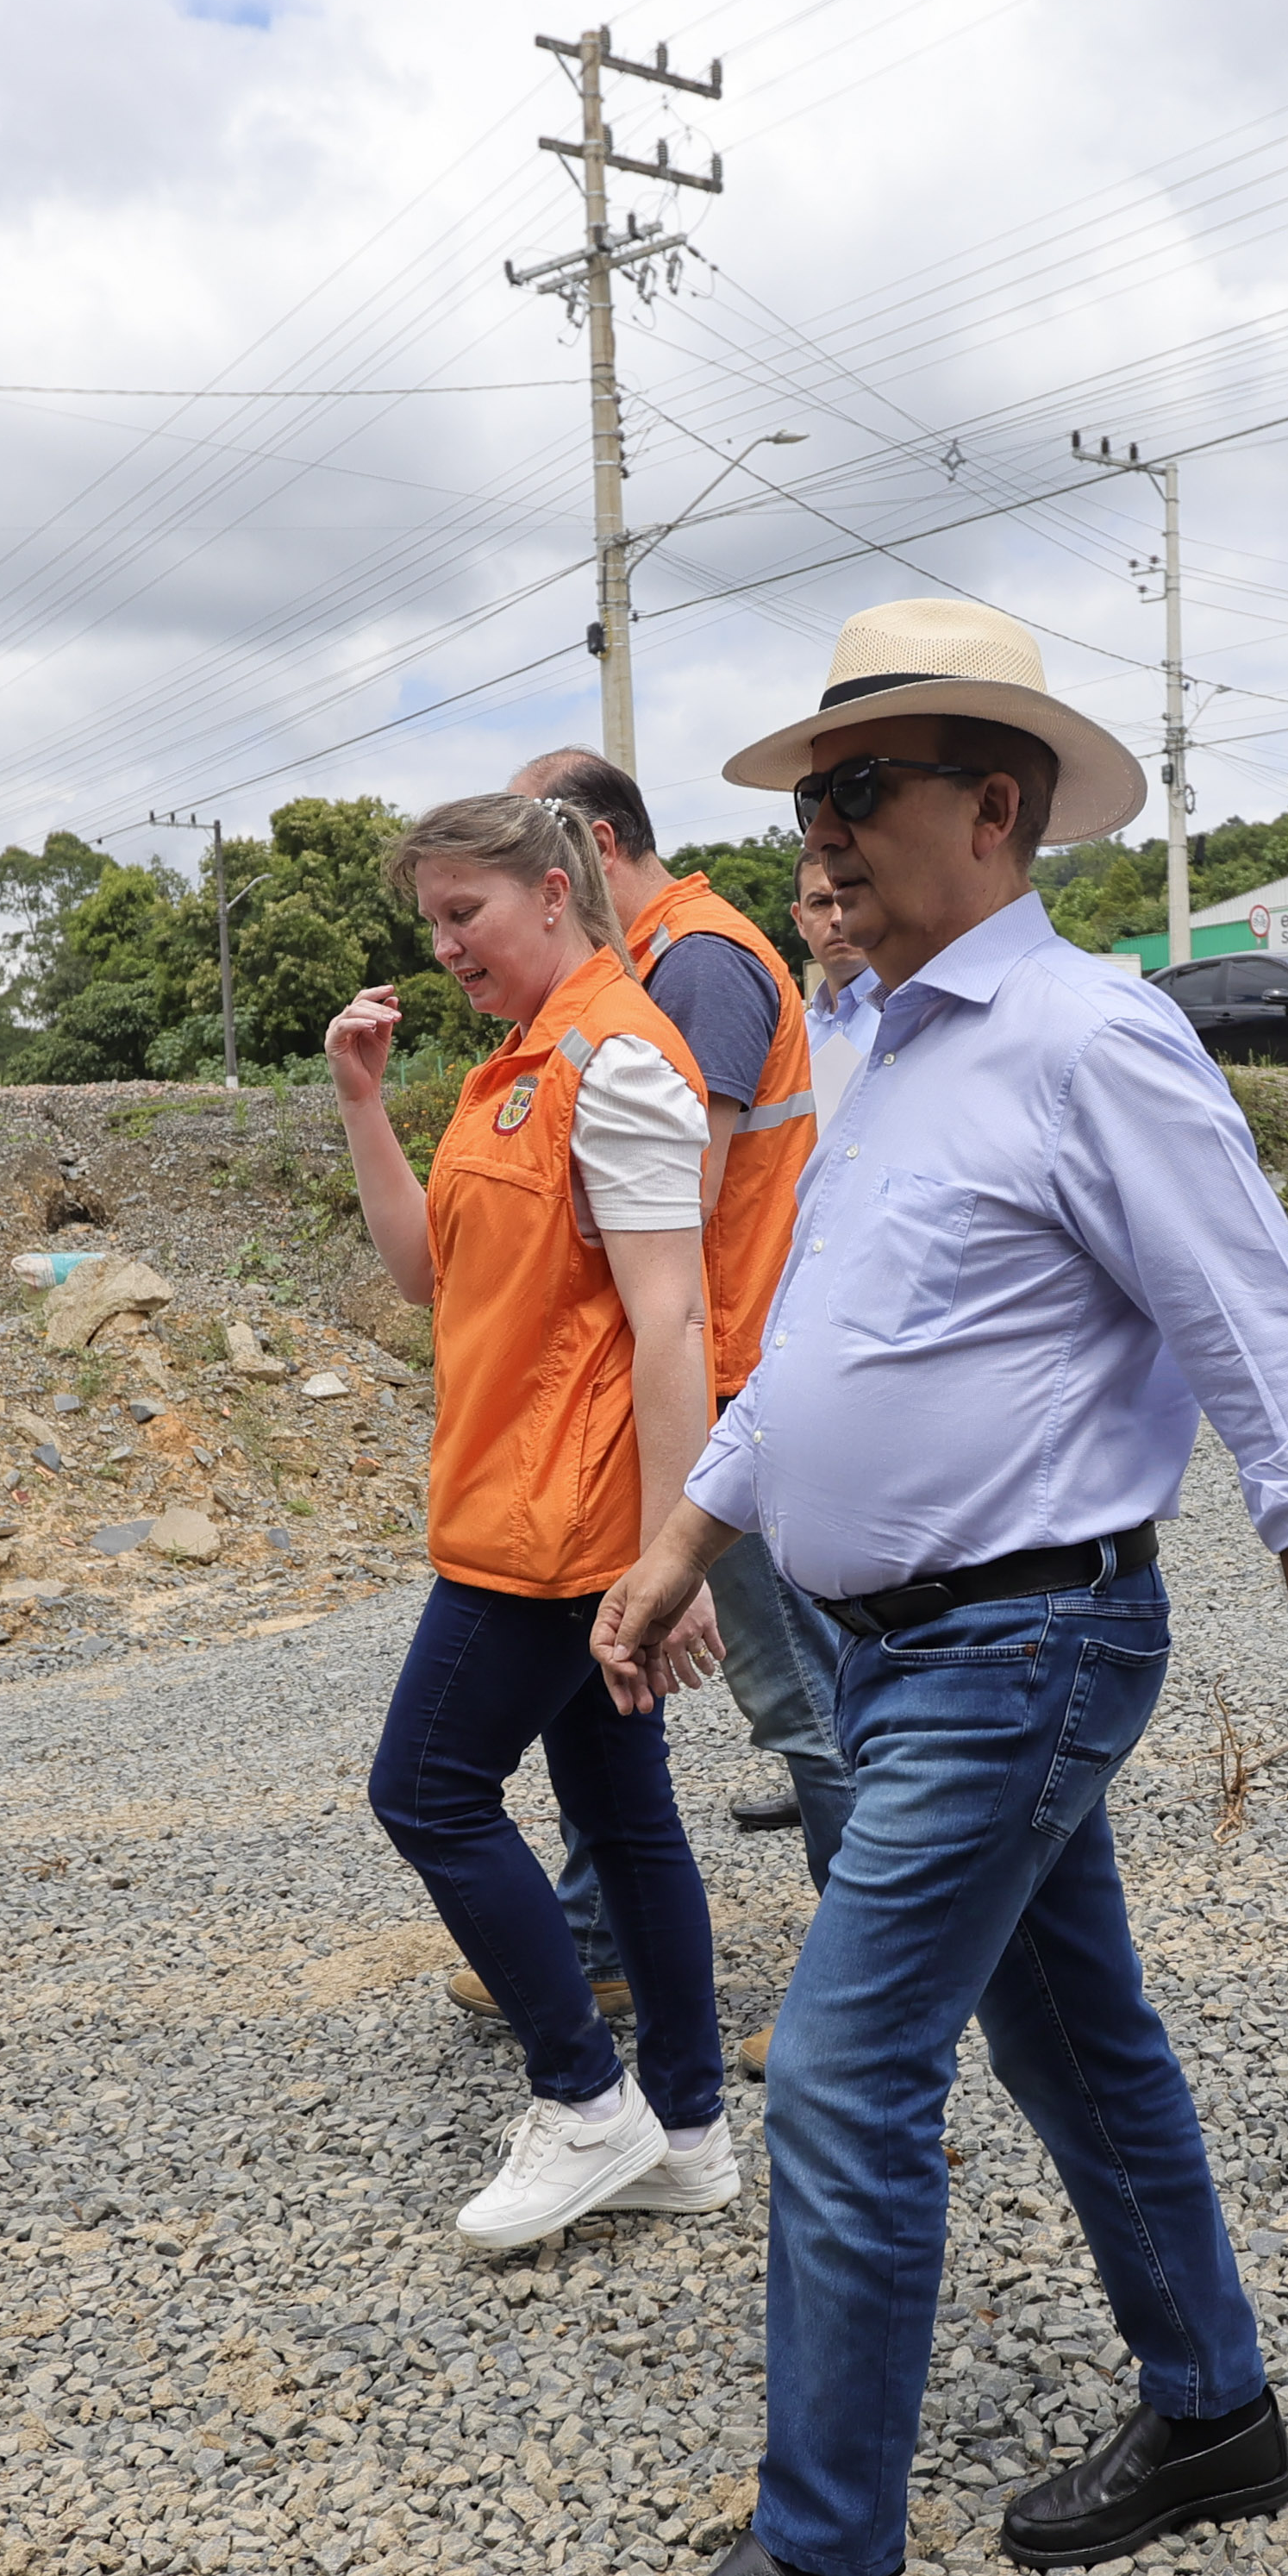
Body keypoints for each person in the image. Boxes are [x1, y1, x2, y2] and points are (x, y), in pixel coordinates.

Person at [555, 599, 1288, 2576]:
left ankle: (819, 2573)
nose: (819, 834)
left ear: (994, 806)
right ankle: (1214, 2410)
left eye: (856, 792)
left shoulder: (1090, 1038)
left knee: (849, 2070)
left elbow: (1269, 1353)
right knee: (1080, 2048)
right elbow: (820, 1373)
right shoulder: (878, 1050)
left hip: (1025, 1641)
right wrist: (681, 1533)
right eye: (806, 796)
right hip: (898, 1655)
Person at [336, 791, 737, 2248]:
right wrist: (365, 1104)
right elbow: (420, 1280)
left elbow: (673, 1318)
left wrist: (672, 1555)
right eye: (432, 920)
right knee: (625, 1815)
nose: (445, 944)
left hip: (559, 1524)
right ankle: (688, 2128)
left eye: (469, 913)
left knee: (426, 1788)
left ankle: (585, 2098)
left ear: (556, 893)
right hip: (524, 1497)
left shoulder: (618, 1058)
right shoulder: (517, 1064)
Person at [478, 752, 853, 2035]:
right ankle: (597, 1942)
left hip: (726, 1396)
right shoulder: (647, 964)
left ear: (584, 840)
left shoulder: (689, 963)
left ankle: (860, 1997)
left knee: (803, 1706)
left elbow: (675, 1213)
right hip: (687, 1388)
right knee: (609, 1684)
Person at [794, 850, 878, 1125]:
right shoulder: (793, 1038)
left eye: (848, 899)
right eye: (821, 903)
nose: (838, 917)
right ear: (799, 921)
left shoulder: (912, 1014)